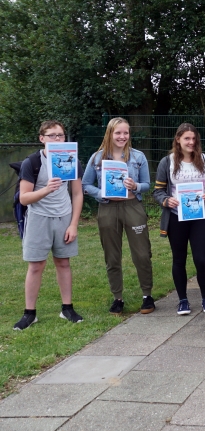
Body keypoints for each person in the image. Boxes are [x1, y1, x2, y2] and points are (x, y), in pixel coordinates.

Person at [14, 121, 84, 330]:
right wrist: (46, 189)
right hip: (38, 218)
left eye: (60, 135)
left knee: (63, 263)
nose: (57, 139)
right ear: (42, 139)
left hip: (64, 217)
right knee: (36, 266)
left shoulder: (72, 159)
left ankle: (67, 308)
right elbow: (24, 198)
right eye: (51, 136)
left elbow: (78, 193)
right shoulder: (32, 162)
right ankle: (30, 314)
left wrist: (73, 224)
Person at [82, 117, 154, 314]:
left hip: (132, 207)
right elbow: (85, 184)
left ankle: (147, 295)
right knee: (112, 255)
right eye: (118, 133)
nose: (122, 136)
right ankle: (117, 298)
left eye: (126, 133)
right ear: (110, 134)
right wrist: (100, 193)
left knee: (142, 254)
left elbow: (148, 184)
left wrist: (136, 186)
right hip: (108, 209)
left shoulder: (138, 157)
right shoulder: (97, 158)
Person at [153, 123, 205, 315]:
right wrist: (166, 200)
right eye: (186, 139)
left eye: (193, 138)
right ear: (178, 140)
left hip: (200, 217)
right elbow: (158, 191)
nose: (191, 142)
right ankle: (183, 300)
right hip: (176, 218)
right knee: (179, 259)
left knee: (200, 258)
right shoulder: (168, 162)